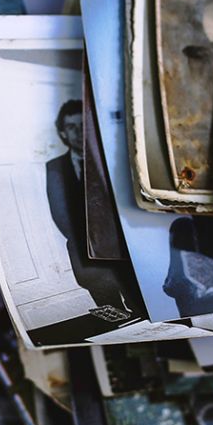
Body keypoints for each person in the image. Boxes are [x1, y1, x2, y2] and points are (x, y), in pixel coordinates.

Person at [43, 99, 135, 320]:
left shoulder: (107, 156)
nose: (77, 132)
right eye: (71, 128)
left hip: (123, 247)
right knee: (114, 314)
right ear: (63, 133)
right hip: (86, 254)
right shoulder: (55, 168)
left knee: (140, 305)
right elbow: (60, 215)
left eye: (81, 125)